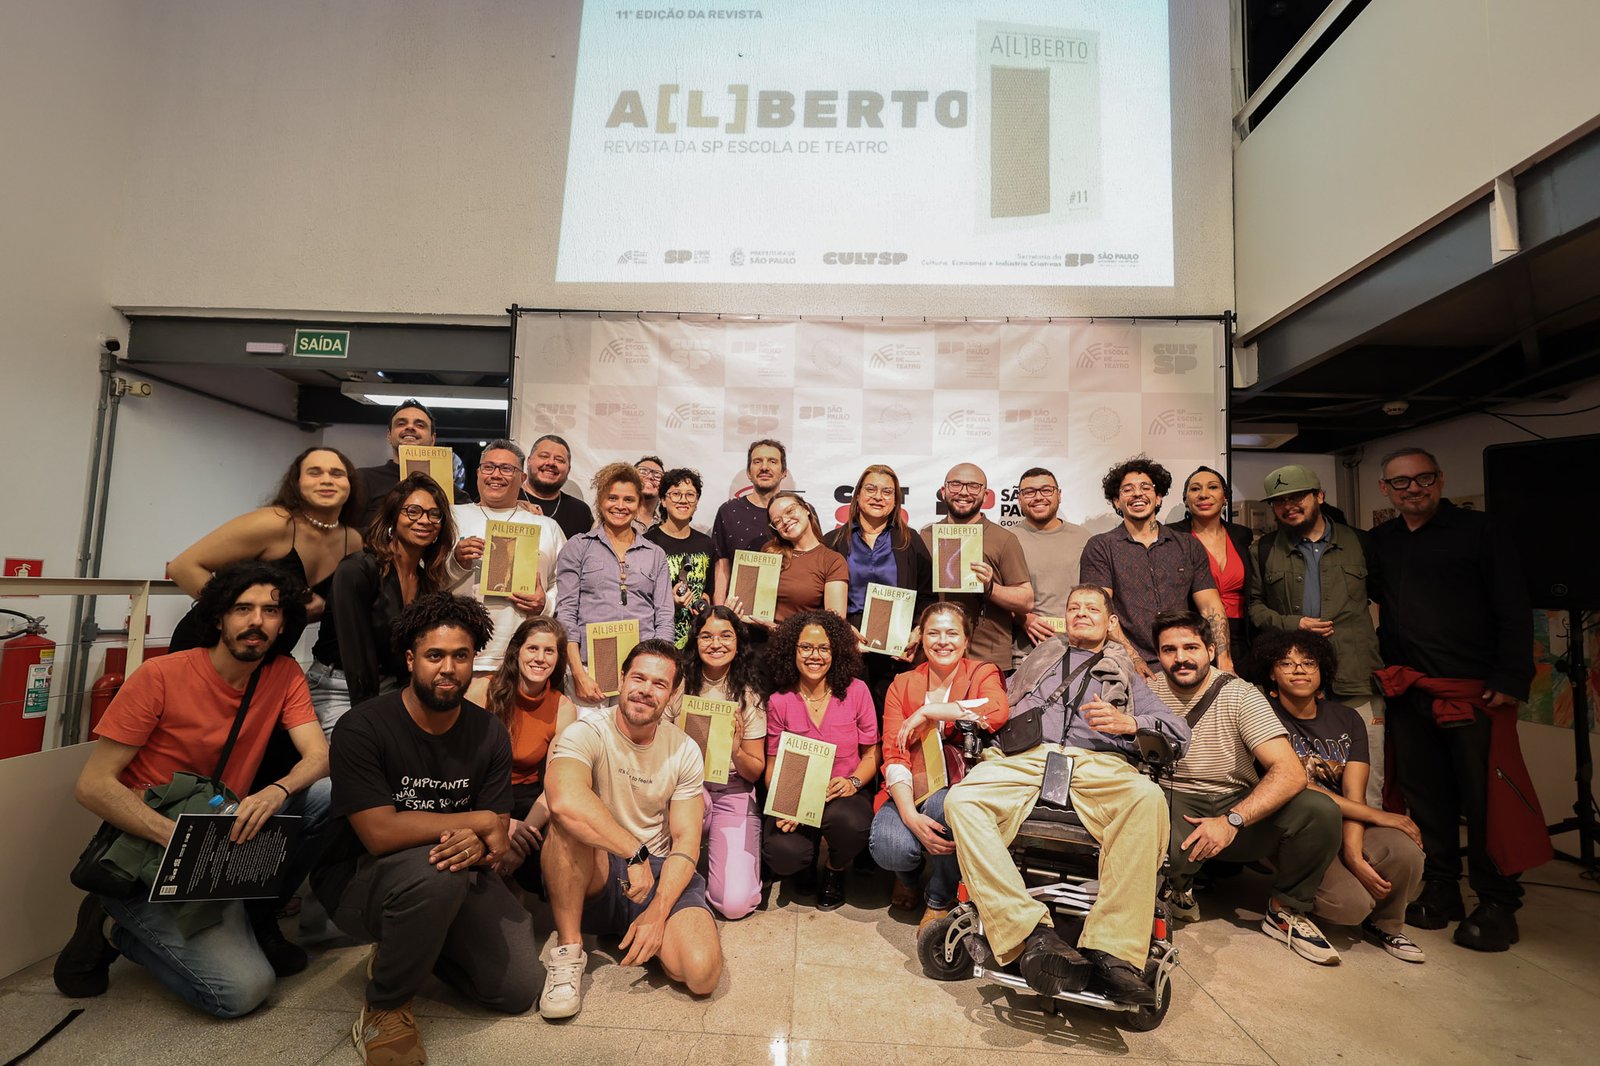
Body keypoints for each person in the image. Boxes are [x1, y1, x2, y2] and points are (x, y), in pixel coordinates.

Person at [55, 562, 330, 1016]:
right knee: (241, 993)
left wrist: (276, 791)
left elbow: (319, 757)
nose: (256, 621)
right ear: (219, 617)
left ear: (285, 624)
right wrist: (179, 839)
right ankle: (111, 926)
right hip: (153, 847)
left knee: (325, 797)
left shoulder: (282, 673)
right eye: (242, 608)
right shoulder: (159, 676)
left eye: (270, 610)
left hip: (222, 833)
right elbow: (93, 786)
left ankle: (257, 915)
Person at [312, 593, 543, 1065]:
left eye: (460, 656)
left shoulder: (489, 732)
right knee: (436, 872)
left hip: (458, 868)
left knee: (519, 989)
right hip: (360, 878)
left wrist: (482, 835)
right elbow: (379, 832)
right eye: (435, 656)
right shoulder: (363, 726)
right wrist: (474, 822)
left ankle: (413, 943)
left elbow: (497, 831)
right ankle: (385, 1005)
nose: (448, 669)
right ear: (411, 658)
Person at [943, 585, 1188, 1003]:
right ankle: (1029, 930)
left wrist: (1128, 723)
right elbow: (992, 702)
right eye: (1073, 607)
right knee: (961, 801)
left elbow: (1179, 731)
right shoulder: (1036, 661)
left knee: (1147, 800)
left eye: (1092, 608)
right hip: (1028, 757)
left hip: (1099, 762)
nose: (1081, 614)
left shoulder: (1128, 675)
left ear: (1111, 622)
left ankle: (1112, 950)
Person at [1369, 446, 1544, 952]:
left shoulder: (1481, 532)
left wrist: (1512, 674)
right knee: (1427, 796)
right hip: (1412, 689)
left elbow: (1514, 605)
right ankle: (1442, 886)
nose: (1413, 489)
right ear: (1386, 490)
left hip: (1473, 690)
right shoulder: (1383, 541)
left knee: (1485, 798)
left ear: (1440, 480)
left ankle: (1497, 900)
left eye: (1423, 479)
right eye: (1401, 483)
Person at [539, 639, 724, 1019]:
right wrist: (631, 851)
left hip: (655, 872)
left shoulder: (684, 749)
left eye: (659, 684)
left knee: (702, 974)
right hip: (596, 868)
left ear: (672, 695)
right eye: (638, 677)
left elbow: (687, 840)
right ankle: (569, 951)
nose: (645, 689)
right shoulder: (586, 730)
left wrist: (659, 911)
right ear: (621, 680)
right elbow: (563, 798)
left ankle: (644, 930)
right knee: (566, 825)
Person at [1149, 611, 1343, 965]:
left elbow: (1290, 772)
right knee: (1153, 839)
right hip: (1173, 800)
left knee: (1319, 811)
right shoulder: (1145, 691)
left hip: (1235, 804)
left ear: (1210, 650)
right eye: (1169, 649)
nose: (1180, 658)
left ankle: (1286, 911)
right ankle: (1178, 888)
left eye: (1191, 647)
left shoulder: (1240, 694)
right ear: (1157, 655)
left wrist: (1231, 821)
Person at [1256, 630, 1426, 963]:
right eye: (1286, 663)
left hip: (1346, 820)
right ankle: (1287, 907)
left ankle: (1387, 923)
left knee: (1405, 850)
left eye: (1308, 663)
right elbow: (1297, 785)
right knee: (1350, 906)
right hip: (1297, 828)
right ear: (1272, 674)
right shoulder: (1263, 714)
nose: (1299, 670)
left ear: (1323, 671)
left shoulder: (1347, 718)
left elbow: (1354, 792)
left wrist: (1353, 853)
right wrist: (1381, 816)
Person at [165, 446, 363, 689]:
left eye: (336, 473)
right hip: (211, 647)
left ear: (349, 484)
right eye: (314, 472)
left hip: (269, 655)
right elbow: (183, 567)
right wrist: (237, 614)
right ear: (297, 482)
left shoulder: (352, 541)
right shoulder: (275, 523)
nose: (326, 480)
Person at [1247, 464, 1386, 806]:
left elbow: (1393, 601)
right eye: (1280, 501)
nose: (1289, 506)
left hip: (1355, 678)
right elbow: (1255, 608)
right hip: (1294, 685)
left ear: (1319, 496)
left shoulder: (1361, 542)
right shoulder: (1264, 550)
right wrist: (1295, 624)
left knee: (1367, 781)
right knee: (1299, 780)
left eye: (1297, 497)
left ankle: (1369, 853)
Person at [869, 603, 1008, 929]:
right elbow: (894, 752)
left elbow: (997, 709)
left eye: (951, 633)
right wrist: (908, 816)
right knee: (889, 846)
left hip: (962, 788)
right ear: (922, 638)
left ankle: (939, 897)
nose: (942, 641)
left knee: (945, 805)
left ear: (965, 640)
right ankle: (909, 876)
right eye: (933, 632)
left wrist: (932, 712)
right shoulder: (902, 684)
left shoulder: (980, 672)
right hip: (909, 787)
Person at [760, 610, 880, 909]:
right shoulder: (779, 701)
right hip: (797, 796)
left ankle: (835, 869)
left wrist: (853, 782)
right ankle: (804, 862)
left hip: (842, 792)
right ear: (793, 651)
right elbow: (773, 763)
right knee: (782, 854)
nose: (815, 656)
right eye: (806, 647)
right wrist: (784, 803)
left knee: (850, 824)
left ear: (835, 651)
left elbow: (872, 753)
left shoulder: (856, 691)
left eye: (824, 648)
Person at [1079, 456, 1234, 676]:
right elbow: (1101, 611)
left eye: (1146, 487)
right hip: (1126, 665)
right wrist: (1132, 658)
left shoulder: (1188, 545)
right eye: (1127, 490)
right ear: (1116, 501)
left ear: (1159, 497)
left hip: (1185, 662)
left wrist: (1225, 662)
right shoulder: (1101, 547)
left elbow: (1211, 608)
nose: (1137, 494)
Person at [664, 606, 768, 920]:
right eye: (706, 636)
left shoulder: (750, 694)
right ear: (695, 641)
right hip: (686, 788)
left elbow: (754, 771)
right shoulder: (678, 684)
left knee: (734, 904)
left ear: (738, 644)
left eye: (726, 636)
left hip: (732, 791)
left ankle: (714, 864)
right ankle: (682, 863)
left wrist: (736, 749)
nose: (716, 643)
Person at [445, 439, 565, 705]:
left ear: (522, 478)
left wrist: (545, 603)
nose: (496, 474)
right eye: (488, 467)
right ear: (477, 473)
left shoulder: (547, 526)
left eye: (506, 469)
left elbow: (563, 584)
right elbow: (423, 576)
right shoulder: (451, 516)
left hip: (522, 659)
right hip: (460, 653)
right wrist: (456, 561)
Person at [331, 474, 458, 708]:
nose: (424, 520)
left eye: (434, 514)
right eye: (413, 511)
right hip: (340, 687)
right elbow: (357, 658)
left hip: (395, 687)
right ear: (393, 516)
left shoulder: (427, 582)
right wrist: (370, 717)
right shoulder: (357, 569)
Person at [555, 462, 674, 704]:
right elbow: (566, 613)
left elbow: (664, 617)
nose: (620, 506)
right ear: (600, 501)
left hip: (641, 673)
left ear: (639, 502)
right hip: (589, 670)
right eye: (612, 498)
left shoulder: (655, 553)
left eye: (629, 499)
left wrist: (657, 671)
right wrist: (578, 673)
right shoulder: (578, 546)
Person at [824, 463, 935, 716]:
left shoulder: (910, 540)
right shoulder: (833, 541)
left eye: (887, 492)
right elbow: (819, 596)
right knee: (849, 717)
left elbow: (928, 594)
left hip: (897, 648)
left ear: (896, 501)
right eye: (871, 489)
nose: (878, 497)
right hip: (847, 641)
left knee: (892, 718)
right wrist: (840, 629)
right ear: (858, 495)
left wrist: (918, 630)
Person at [484, 616, 579, 893]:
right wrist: (502, 824)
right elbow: (461, 768)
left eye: (549, 651)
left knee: (551, 863)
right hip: (482, 796)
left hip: (528, 801)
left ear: (558, 658)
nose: (540, 658)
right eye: (533, 648)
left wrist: (522, 835)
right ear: (517, 651)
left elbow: (555, 785)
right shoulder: (483, 691)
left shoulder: (563, 707)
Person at [917, 463, 1033, 672]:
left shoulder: (1004, 539)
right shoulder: (925, 536)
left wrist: (990, 588)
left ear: (986, 495)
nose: (963, 492)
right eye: (955, 485)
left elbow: (1025, 600)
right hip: (935, 655)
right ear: (943, 491)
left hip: (986, 658)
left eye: (973, 486)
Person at [1009, 467, 1093, 670]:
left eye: (1046, 490)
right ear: (1019, 498)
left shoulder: (1084, 538)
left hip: (1077, 651)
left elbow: (1095, 596)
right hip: (1024, 655)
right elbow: (994, 594)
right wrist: (1024, 618)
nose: (1038, 497)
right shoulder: (1007, 538)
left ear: (1059, 494)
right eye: (1029, 492)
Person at [1168, 465, 1254, 661]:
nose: (1204, 495)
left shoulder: (1242, 535)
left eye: (1213, 487)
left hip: (1242, 637)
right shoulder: (1172, 536)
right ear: (1185, 500)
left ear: (1225, 498)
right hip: (1192, 635)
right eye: (1195, 489)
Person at [735, 490, 846, 625]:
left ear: (806, 509)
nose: (785, 521)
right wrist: (737, 609)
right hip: (760, 640)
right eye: (777, 521)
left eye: (790, 511)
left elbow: (834, 625)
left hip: (801, 643)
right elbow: (750, 603)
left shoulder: (832, 561)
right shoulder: (769, 551)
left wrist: (776, 629)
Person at [644, 467, 715, 648]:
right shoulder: (647, 543)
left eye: (690, 495)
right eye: (675, 494)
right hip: (658, 640)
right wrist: (671, 603)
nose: (683, 500)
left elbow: (708, 590)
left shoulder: (706, 544)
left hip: (699, 643)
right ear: (663, 500)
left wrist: (704, 601)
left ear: (697, 502)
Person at [712, 439, 789, 605]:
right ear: (749, 472)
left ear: (784, 472)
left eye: (772, 461)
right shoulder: (728, 511)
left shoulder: (800, 512)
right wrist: (720, 612)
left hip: (788, 615)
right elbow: (722, 567)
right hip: (740, 614)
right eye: (757, 461)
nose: (764, 467)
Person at [354, 400, 436, 527]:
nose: (410, 427)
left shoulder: (448, 488)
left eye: (420, 425)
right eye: (401, 423)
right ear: (389, 436)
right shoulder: (362, 479)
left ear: (432, 439)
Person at [519, 433, 593, 540]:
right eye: (544, 456)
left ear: (568, 469)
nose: (551, 463)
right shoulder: (508, 500)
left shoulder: (580, 512)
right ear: (529, 461)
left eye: (559, 460)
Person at [634, 454, 665, 529]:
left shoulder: (666, 523)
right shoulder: (619, 515)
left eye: (657, 476)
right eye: (643, 472)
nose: (650, 477)